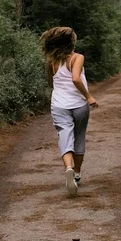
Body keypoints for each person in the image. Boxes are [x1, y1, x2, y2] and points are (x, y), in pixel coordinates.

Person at [39, 26, 99, 197]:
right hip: (79, 104)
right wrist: (88, 96)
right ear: (71, 42)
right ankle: (77, 173)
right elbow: (75, 78)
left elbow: (52, 83)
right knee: (79, 136)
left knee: (64, 136)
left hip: (59, 105)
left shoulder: (51, 62)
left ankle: (68, 168)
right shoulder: (77, 57)